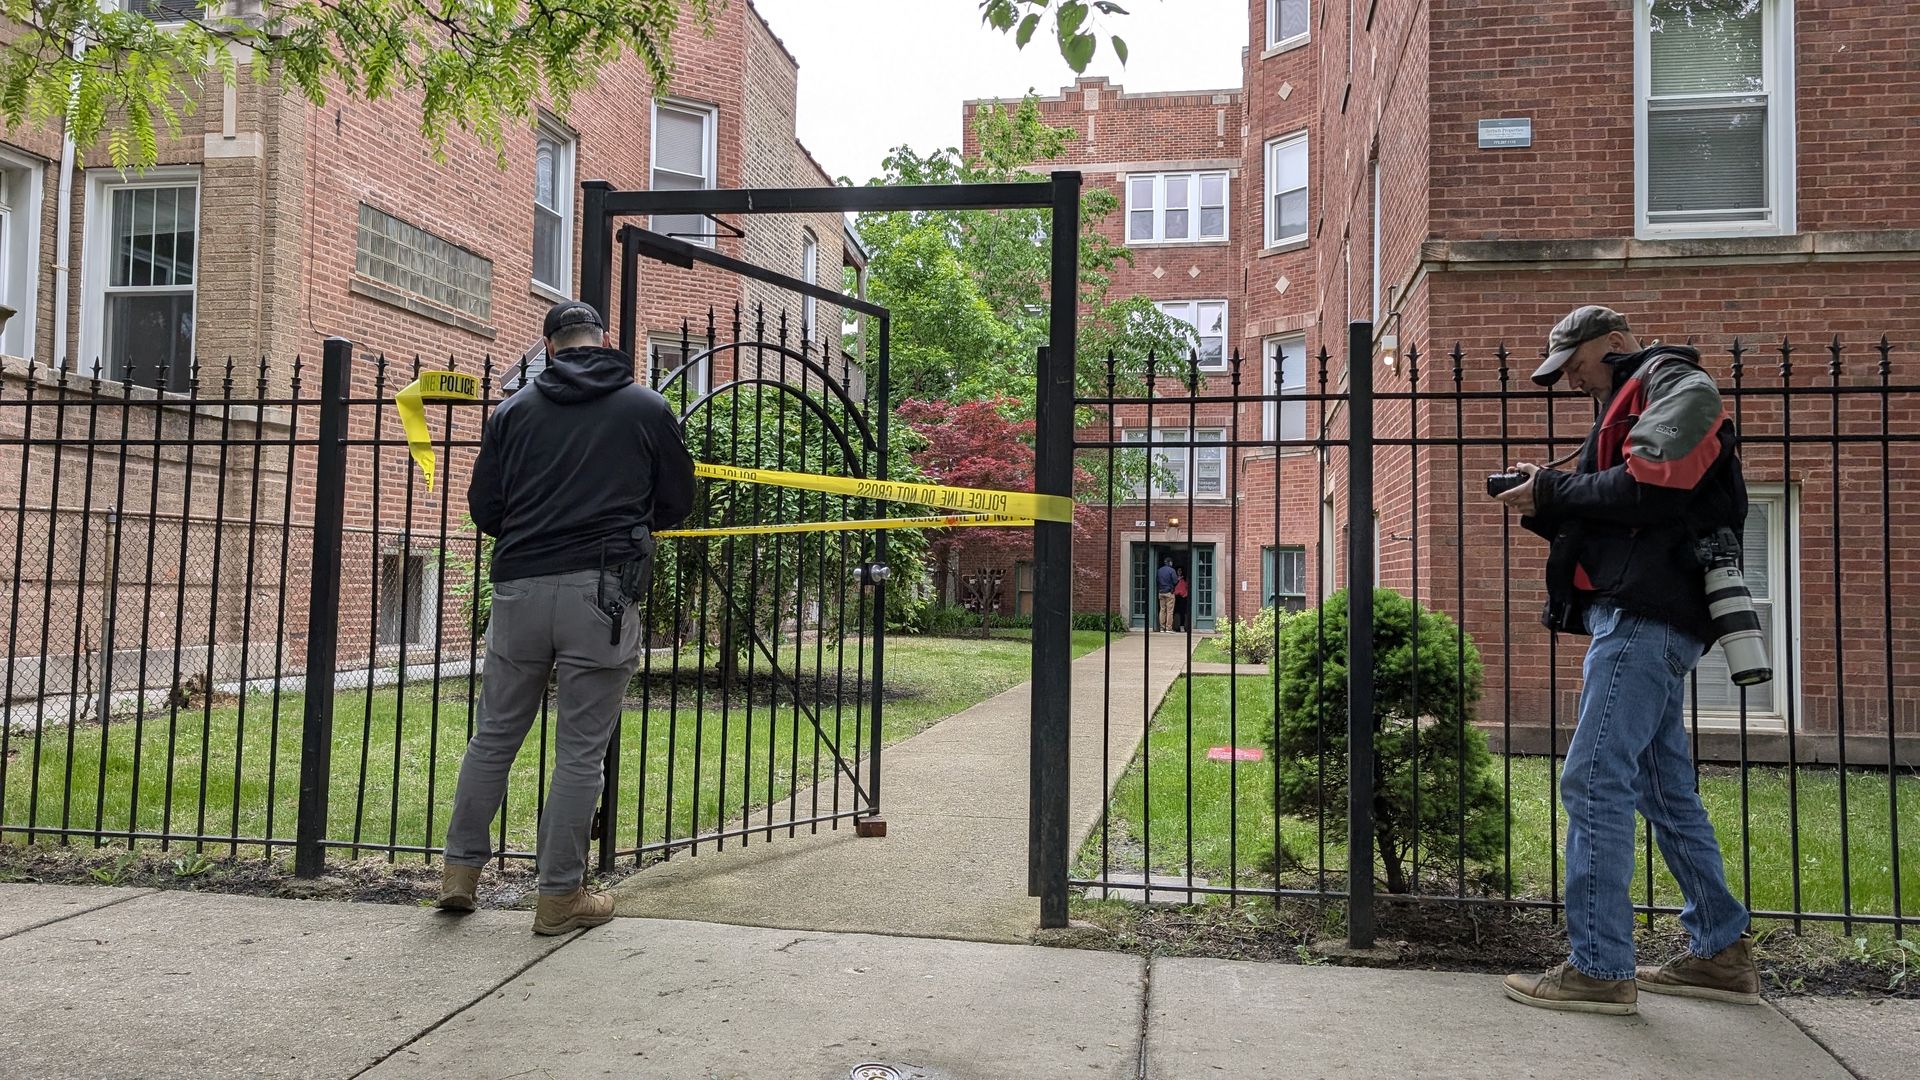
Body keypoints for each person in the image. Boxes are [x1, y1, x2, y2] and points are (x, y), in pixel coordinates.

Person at [1496, 305, 1758, 1014]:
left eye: (1577, 367)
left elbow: (1653, 482)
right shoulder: (1633, 397)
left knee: (1591, 782)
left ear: (1613, 343)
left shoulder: (1675, 382)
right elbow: (1622, 502)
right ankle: (1720, 951)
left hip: (1647, 615)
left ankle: (1601, 969)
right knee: (1662, 789)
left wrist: (1554, 488)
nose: (1575, 383)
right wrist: (1545, 493)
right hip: (1643, 613)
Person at [437, 300, 696, 935]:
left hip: (520, 587)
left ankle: (459, 876)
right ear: (601, 341)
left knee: (494, 734)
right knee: (581, 750)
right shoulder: (645, 407)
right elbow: (678, 498)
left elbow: (485, 509)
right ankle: (558, 898)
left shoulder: (514, 412)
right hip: (601, 594)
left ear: (548, 347)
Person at [1155, 556, 1177, 632]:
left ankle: (1162, 628)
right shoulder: (1172, 570)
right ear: (1170, 562)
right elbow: (1175, 581)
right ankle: (1168, 628)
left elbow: (1157, 581)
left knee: (1162, 610)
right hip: (1169, 592)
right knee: (1170, 611)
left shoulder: (1159, 570)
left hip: (1161, 592)